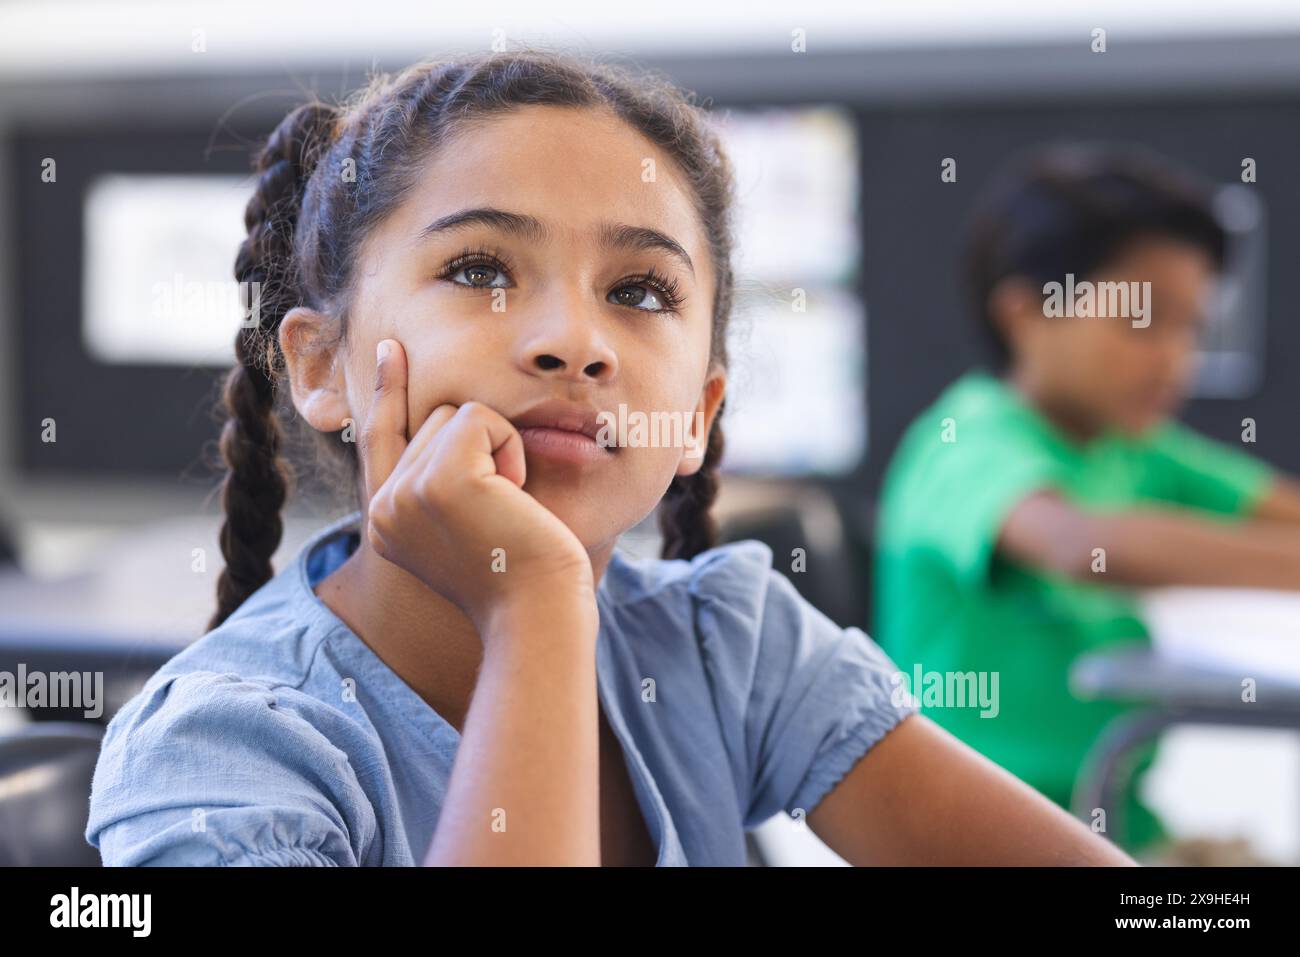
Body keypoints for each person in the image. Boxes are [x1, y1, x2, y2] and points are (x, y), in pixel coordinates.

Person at [86, 52, 1132, 866]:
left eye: (639, 292)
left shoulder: (725, 645)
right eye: (481, 267)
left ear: (697, 413)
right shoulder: (227, 754)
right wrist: (532, 606)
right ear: (321, 366)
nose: (574, 341)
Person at [874, 142, 1300, 857]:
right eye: (1142, 319)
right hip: (982, 839)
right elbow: (1077, 546)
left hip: (1111, 817)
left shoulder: (1131, 445)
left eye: (1192, 325)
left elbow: (1275, 506)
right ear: (1025, 311)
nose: (1175, 357)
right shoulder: (965, 440)